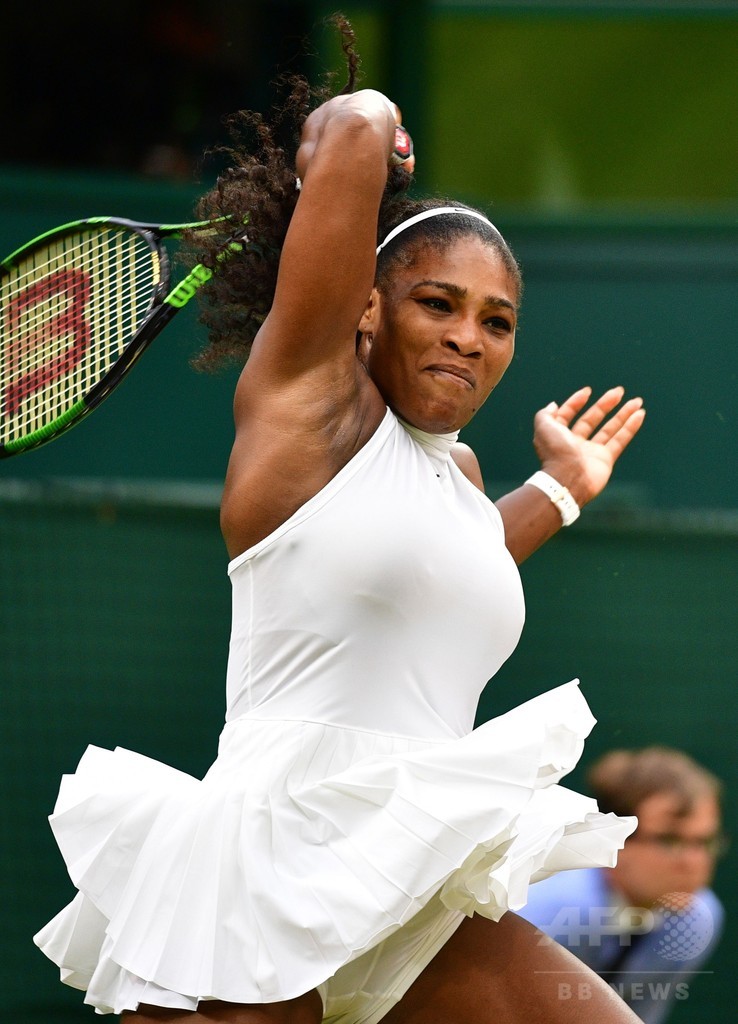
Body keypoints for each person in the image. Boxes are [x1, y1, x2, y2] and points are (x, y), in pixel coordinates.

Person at [34, 19, 647, 1024]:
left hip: (406, 875)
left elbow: (447, 574)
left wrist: (562, 489)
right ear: (365, 309)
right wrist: (372, 125)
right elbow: (355, 126)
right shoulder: (308, 408)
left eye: (496, 320)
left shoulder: (456, 479)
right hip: (266, 867)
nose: (469, 336)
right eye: (438, 303)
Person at [520, 747, 725, 1023]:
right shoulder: (553, 911)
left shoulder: (697, 918)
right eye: (669, 840)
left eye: (704, 842)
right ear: (615, 839)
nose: (693, 861)